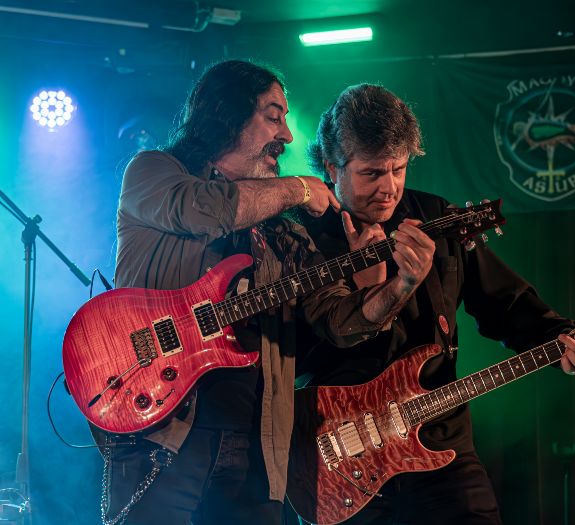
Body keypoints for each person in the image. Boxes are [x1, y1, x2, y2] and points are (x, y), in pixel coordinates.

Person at [97, 63, 435, 525]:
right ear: (228, 115)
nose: (288, 136)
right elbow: (206, 211)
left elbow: (338, 321)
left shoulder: (282, 232)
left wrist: (400, 285)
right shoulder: (154, 172)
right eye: (274, 117)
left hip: (256, 447)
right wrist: (298, 189)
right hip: (162, 428)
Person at [292, 84, 575, 524]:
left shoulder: (436, 218)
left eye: (399, 169)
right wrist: (394, 286)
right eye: (372, 173)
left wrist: (560, 338)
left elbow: (505, 302)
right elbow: (314, 337)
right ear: (332, 167)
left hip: (438, 440)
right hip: (340, 453)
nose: (389, 188)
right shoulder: (301, 235)